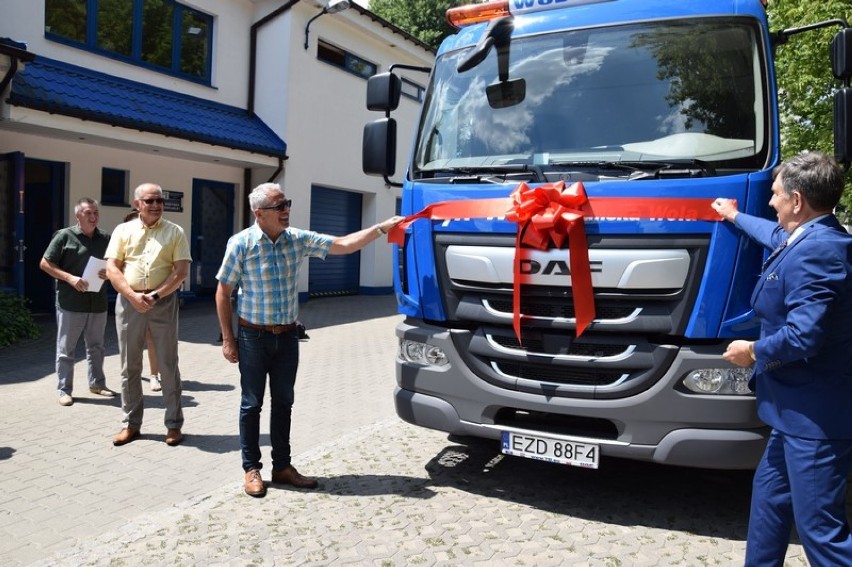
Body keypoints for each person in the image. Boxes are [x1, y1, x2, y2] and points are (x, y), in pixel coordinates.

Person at [214, 182, 404, 497]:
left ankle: (283, 466)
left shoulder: (298, 240)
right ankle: (251, 469)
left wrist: (381, 229)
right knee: (252, 403)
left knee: (284, 403)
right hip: (252, 337)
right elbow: (223, 291)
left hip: (287, 337)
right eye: (280, 206)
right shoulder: (241, 243)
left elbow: (344, 244)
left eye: (287, 203)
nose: (287, 210)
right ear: (259, 213)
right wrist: (227, 338)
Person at [712, 151, 852, 566]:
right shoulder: (810, 236)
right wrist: (734, 216)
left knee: (822, 534)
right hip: (791, 413)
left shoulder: (820, 251)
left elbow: (804, 335)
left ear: (796, 201)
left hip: (815, 420)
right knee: (769, 508)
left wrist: (752, 350)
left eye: (775, 195)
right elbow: (774, 237)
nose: (770, 203)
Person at [106, 183, 191, 447]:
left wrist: (154, 296)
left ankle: (174, 425)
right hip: (130, 302)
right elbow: (113, 268)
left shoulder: (175, 232)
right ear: (137, 204)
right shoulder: (123, 230)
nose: (156, 205)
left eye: (159, 201)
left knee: (167, 365)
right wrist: (132, 296)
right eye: (150, 201)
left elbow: (180, 272)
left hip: (162, 302)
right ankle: (131, 424)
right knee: (129, 365)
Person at [40, 197, 114, 406]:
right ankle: (64, 390)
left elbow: (117, 265)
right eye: (88, 213)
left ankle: (98, 384)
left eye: (96, 213)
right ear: (78, 216)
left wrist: (109, 273)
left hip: (97, 302)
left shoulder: (105, 239)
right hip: (71, 302)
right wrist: (69, 278)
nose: (93, 217)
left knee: (97, 347)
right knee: (66, 349)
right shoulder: (64, 236)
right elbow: (45, 264)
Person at [123, 209, 161, 393]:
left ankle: (155, 375)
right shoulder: (122, 245)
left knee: (151, 339)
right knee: (131, 341)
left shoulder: (154, 244)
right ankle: (131, 375)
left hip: (152, 299)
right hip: (130, 299)